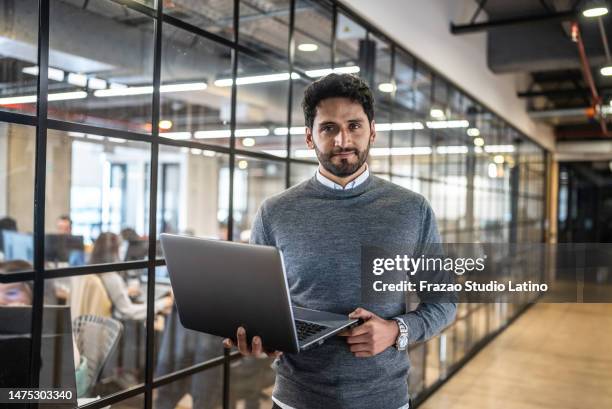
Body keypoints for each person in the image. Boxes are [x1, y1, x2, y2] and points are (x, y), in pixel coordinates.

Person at [223, 73, 457, 409]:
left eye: (354, 125)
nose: (342, 139)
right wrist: (260, 338)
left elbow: (444, 302)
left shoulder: (412, 209)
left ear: (372, 131)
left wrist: (396, 330)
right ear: (309, 137)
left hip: (384, 401)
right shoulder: (274, 212)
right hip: (296, 400)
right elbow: (257, 307)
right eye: (328, 128)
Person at [86, 232, 173, 320]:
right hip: (110, 325)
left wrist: (124, 291)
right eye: (121, 248)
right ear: (115, 251)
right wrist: (162, 303)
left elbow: (106, 295)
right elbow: (128, 312)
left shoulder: (93, 271)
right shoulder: (111, 277)